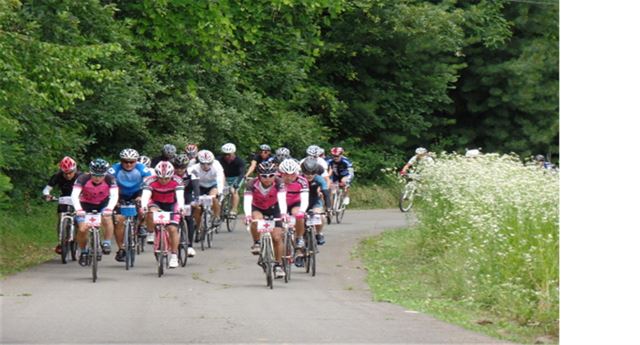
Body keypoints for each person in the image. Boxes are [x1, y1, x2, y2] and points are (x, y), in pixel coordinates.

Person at [243, 161, 288, 279]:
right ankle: (257, 242)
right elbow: (247, 201)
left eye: (271, 175)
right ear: (259, 176)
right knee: (256, 219)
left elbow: (282, 199)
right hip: (258, 208)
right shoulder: (251, 183)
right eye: (264, 176)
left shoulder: (279, 182)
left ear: (275, 175)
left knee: (277, 238)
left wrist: (283, 213)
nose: (268, 179)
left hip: (275, 209)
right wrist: (247, 215)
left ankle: (278, 265)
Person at [70, 158, 119, 266]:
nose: (98, 178)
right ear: (90, 173)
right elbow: (74, 195)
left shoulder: (110, 179)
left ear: (105, 174)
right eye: (95, 175)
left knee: (107, 218)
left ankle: (106, 242)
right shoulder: (82, 178)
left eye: (101, 175)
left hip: (103, 204)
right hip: (85, 205)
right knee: (82, 229)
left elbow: (115, 195)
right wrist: (78, 209)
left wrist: (109, 208)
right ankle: (83, 251)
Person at [109, 148, 153, 262]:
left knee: (142, 209)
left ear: (136, 161)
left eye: (132, 162)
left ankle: (141, 226)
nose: (128, 164)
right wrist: (115, 200)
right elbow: (109, 184)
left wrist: (141, 196)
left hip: (137, 193)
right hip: (119, 194)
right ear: (121, 161)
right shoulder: (114, 169)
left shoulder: (142, 168)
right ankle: (121, 249)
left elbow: (148, 183)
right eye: (125, 161)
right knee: (118, 220)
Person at [141, 161, 185, 268]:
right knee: (150, 212)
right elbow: (146, 196)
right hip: (157, 203)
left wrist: (181, 208)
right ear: (156, 175)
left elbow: (180, 197)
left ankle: (174, 256)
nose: (163, 181)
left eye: (166, 178)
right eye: (160, 178)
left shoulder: (177, 181)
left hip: (172, 204)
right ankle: (151, 233)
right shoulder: (150, 180)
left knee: (172, 229)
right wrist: (144, 206)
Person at [42, 156, 81, 254]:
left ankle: (77, 239)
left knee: (79, 221)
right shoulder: (57, 176)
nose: (68, 176)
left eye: (70, 173)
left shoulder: (81, 177)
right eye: (65, 173)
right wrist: (47, 195)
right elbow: (47, 189)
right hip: (64, 198)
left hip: (79, 199)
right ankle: (61, 241)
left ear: (75, 170)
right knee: (60, 218)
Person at [279, 158, 310, 267]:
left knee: (298, 215)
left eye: (292, 175)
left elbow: (305, 199)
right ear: (281, 173)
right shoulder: (276, 180)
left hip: (295, 203)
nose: (289, 177)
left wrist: (302, 211)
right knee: (281, 231)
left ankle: (299, 238)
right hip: (280, 204)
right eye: (286, 175)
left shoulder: (302, 180)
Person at [189, 149, 225, 230]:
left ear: (212, 162)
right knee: (197, 206)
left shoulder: (216, 165)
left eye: (208, 163)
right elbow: (190, 181)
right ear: (199, 162)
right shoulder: (194, 168)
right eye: (203, 163)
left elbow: (220, 178)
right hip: (199, 186)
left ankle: (216, 216)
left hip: (213, 185)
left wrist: (220, 191)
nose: (206, 166)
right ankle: (198, 225)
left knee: (214, 198)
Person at [172, 154, 200, 257]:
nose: (179, 170)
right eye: (177, 167)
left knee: (189, 219)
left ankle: (189, 246)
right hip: (173, 196)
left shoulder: (192, 172)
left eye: (182, 167)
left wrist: (196, 200)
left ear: (186, 166)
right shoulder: (170, 173)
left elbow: (196, 188)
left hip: (187, 195)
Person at [300, 158, 331, 246]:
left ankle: (318, 233)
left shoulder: (319, 179)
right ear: (302, 171)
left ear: (316, 172)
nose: (309, 175)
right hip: (301, 202)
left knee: (320, 217)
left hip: (314, 201)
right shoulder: (299, 179)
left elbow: (326, 194)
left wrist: (328, 208)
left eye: (312, 173)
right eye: (307, 173)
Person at [219, 143, 245, 217]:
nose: (227, 156)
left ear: (233, 153)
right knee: (221, 191)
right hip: (224, 177)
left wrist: (237, 183)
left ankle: (234, 209)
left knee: (233, 190)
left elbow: (242, 173)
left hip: (236, 177)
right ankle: (221, 208)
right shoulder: (219, 160)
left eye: (229, 155)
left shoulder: (239, 161)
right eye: (225, 154)